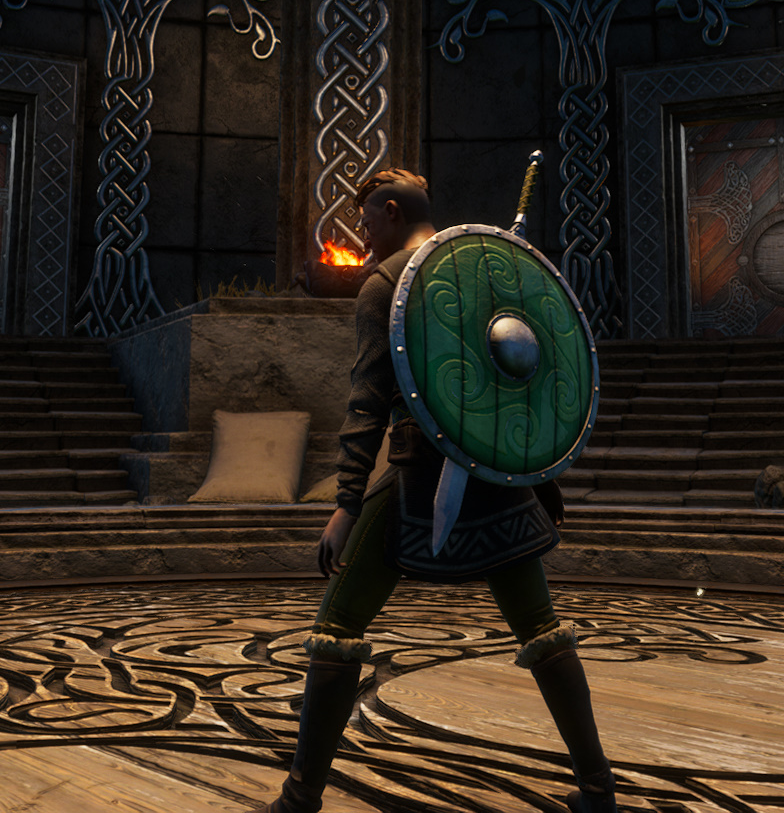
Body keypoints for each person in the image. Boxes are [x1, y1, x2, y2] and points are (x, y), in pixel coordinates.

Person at [251, 168, 617, 813]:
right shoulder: (485, 270)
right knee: (541, 627)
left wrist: (345, 504)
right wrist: (537, 471)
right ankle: (597, 790)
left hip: (422, 483)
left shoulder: (384, 285)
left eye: (366, 221)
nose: (362, 236)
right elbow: (526, 377)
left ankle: (299, 800)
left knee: (337, 626)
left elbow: (368, 402)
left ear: (392, 211)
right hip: (500, 481)